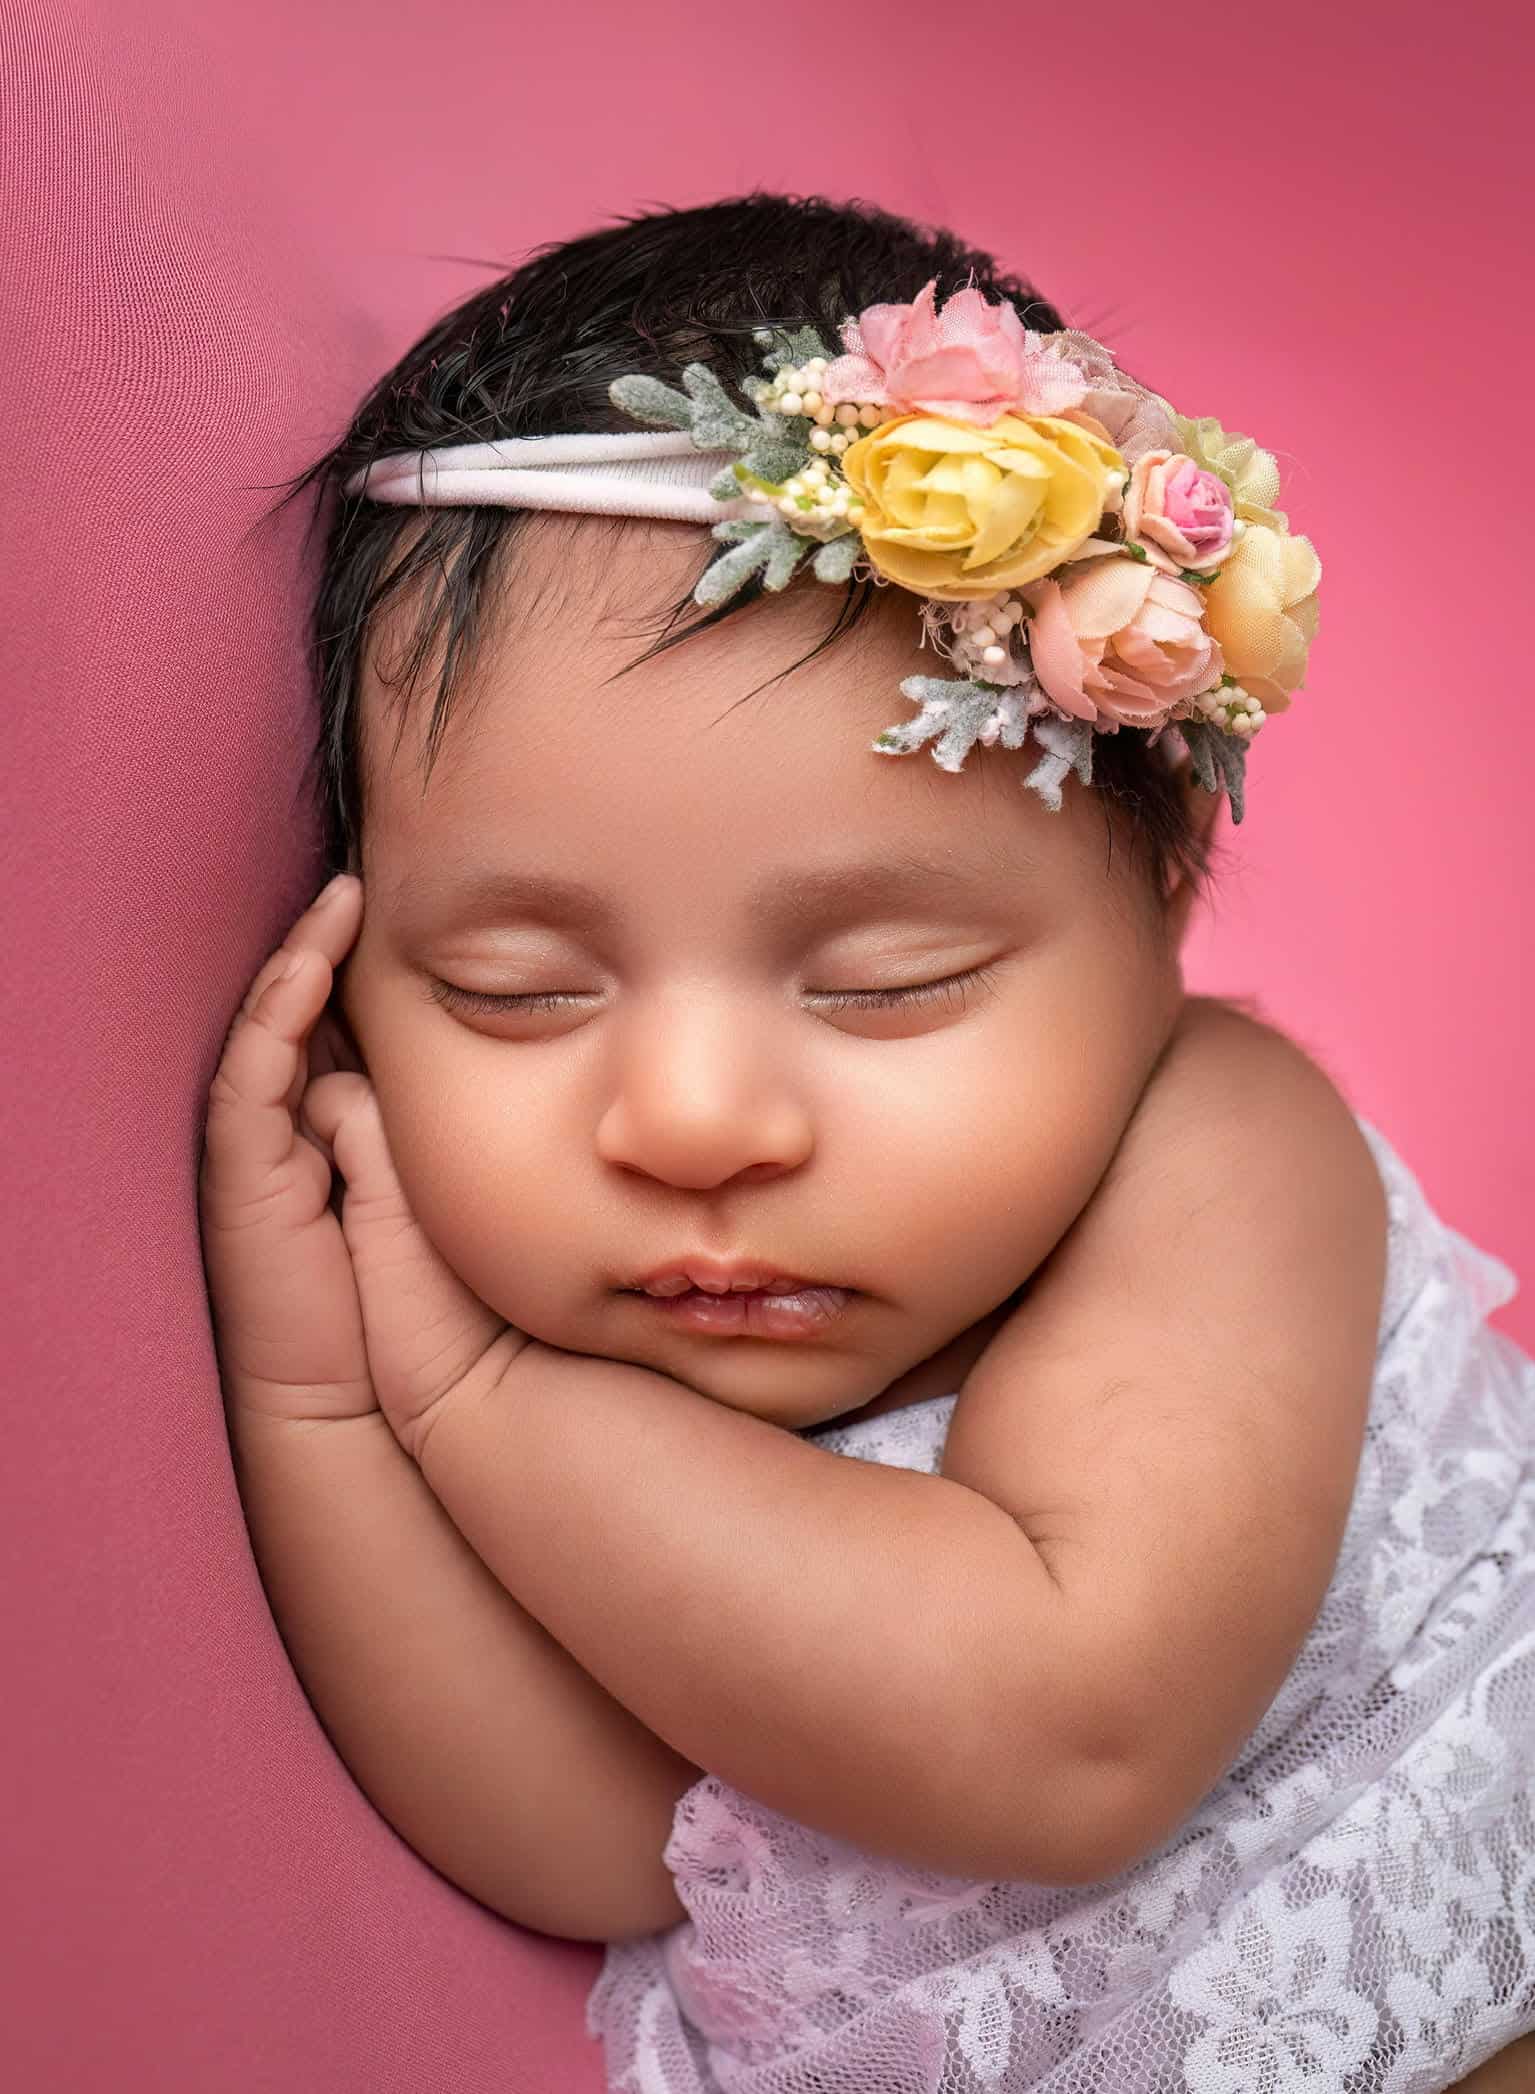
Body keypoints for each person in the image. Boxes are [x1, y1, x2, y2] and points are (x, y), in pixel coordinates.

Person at [199, 194, 1535, 2091]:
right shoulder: (591, 1363)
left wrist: (473, 1384)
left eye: (888, 982)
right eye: (514, 989)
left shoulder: (1224, 1150)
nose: (692, 1125)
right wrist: (320, 1394)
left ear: (1166, 910)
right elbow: (611, 1849)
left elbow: (1063, 1728)